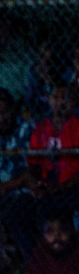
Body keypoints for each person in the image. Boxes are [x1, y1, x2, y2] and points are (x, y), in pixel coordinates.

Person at [28, 85, 79, 223]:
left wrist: (63, 186)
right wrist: (40, 184)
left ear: (74, 102)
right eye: (56, 98)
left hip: (77, 188)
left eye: (65, 98)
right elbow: (33, 163)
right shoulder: (40, 128)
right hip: (48, 187)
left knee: (61, 205)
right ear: (49, 100)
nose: (61, 102)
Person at [0, 92, 37, 257]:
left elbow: (32, 173)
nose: (1, 118)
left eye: (4, 112)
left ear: (12, 110)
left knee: (15, 210)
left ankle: (32, 266)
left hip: (23, 193)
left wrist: (6, 186)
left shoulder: (27, 128)